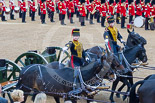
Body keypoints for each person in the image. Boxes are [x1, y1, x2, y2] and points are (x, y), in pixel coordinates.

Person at [63, 28, 87, 94]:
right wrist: (66, 47)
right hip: (74, 61)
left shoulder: (80, 44)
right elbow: (68, 45)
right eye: (74, 36)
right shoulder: (72, 43)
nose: (76, 37)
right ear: (72, 36)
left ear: (79, 36)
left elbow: (83, 52)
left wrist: (86, 57)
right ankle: (75, 86)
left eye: (77, 36)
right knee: (76, 72)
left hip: (81, 60)